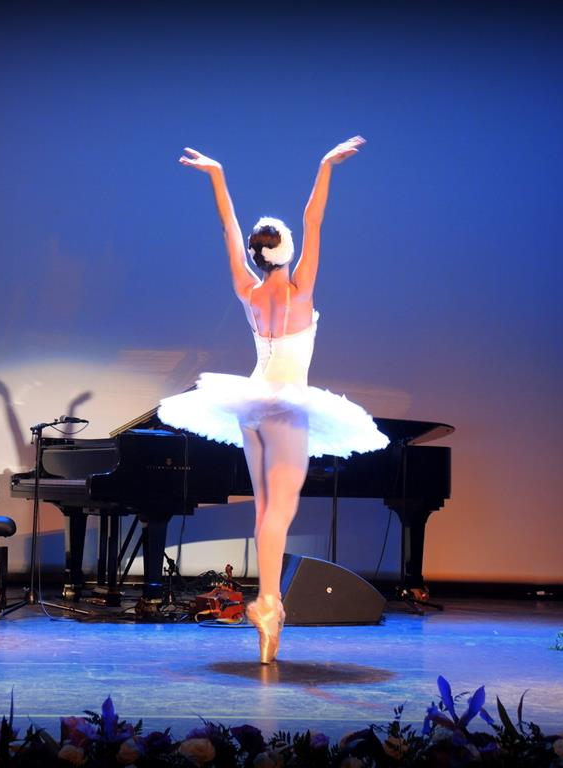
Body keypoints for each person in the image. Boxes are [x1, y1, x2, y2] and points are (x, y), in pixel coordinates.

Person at [158, 136, 389, 663]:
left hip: (251, 405)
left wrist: (217, 175)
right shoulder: (300, 289)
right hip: (286, 407)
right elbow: (315, 219)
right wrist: (325, 165)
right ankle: (267, 602)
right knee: (278, 512)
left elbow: (228, 228)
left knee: (266, 508)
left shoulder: (249, 290)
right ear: (286, 251)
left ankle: (270, 605)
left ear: (257, 255)